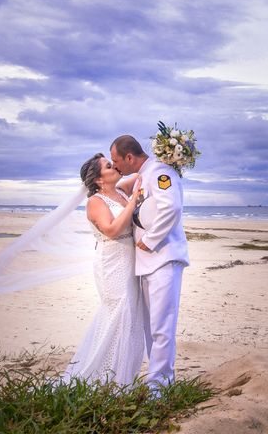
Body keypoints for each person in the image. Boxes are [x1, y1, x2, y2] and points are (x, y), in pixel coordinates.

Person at [110, 135, 189, 389]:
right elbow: (121, 188)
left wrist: (151, 240)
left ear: (129, 157)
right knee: (151, 328)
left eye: (116, 161)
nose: (115, 167)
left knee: (162, 328)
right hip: (148, 263)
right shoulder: (145, 175)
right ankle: (157, 381)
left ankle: (161, 385)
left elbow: (171, 208)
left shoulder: (160, 173)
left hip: (164, 258)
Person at [64, 153, 145, 385]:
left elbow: (142, 173)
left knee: (129, 316)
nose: (115, 167)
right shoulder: (95, 202)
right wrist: (132, 203)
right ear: (99, 179)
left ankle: (121, 377)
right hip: (111, 264)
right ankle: (104, 377)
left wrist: (168, 155)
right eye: (109, 166)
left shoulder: (119, 190)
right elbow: (111, 230)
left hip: (129, 263)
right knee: (118, 316)